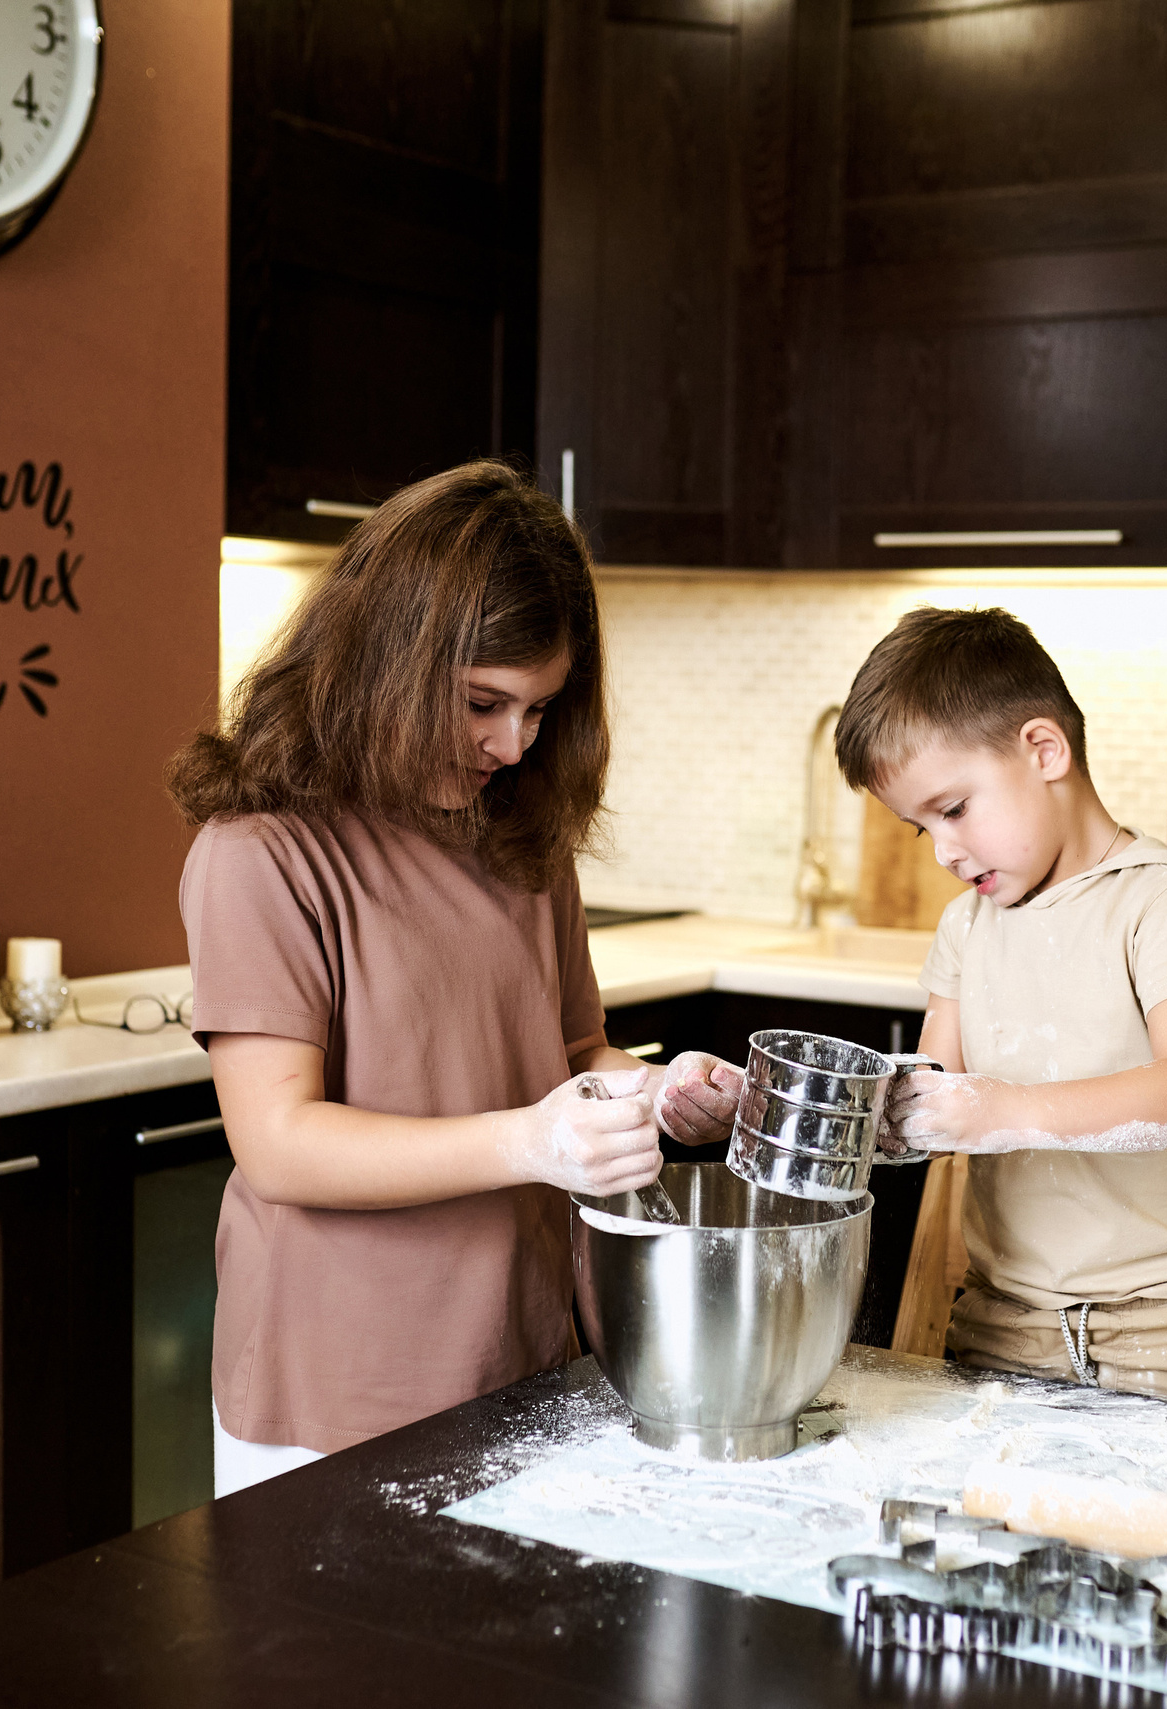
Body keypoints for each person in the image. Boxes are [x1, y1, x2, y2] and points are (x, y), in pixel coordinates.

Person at [167, 460, 740, 1493]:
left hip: (523, 1354)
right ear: (389, 655)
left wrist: (657, 1090)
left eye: (538, 708)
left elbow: (568, 1053)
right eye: (485, 702)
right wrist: (531, 1138)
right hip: (337, 1388)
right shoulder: (261, 851)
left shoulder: (519, 837)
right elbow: (280, 1144)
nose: (514, 744)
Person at [835, 607, 1167, 1407]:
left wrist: (1003, 1111)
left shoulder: (1157, 899)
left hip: (1156, 1325)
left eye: (953, 809)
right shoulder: (966, 925)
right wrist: (816, 1103)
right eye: (920, 827)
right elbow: (931, 1093)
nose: (945, 851)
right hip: (1001, 1318)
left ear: (1044, 749)